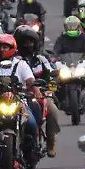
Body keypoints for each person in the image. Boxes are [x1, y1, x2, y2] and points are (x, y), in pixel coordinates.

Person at [0, 34, 40, 148]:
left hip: (19, 101)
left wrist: (35, 90)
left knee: (31, 123)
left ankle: (33, 146)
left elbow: (30, 80)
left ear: (12, 47)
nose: (1, 50)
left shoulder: (21, 64)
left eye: (5, 47)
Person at [13, 25, 61, 157]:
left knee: (52, 110)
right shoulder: (13, 61)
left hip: (41, 94)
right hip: (18, 95)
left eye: (31, 42)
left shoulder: (41, 59)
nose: (28, 45)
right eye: (24, 42)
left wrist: (51, 84)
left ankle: (51, 142)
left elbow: (52, 74)